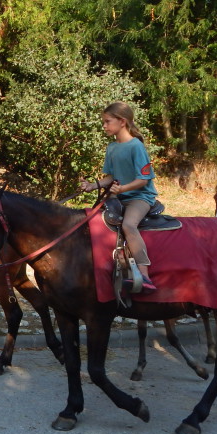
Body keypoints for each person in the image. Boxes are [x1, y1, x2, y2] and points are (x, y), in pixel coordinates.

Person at [81, 101, 158, 291]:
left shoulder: (136, 146)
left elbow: (144, 179)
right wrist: (92, 186)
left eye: (107, 122)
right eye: (104, 122)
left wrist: (122, 189)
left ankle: (144, 275)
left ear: (122, 121)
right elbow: (111, 177)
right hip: (119, 197)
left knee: (128, 225)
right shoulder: (112, 148)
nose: (104, 126)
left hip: (140, 197)